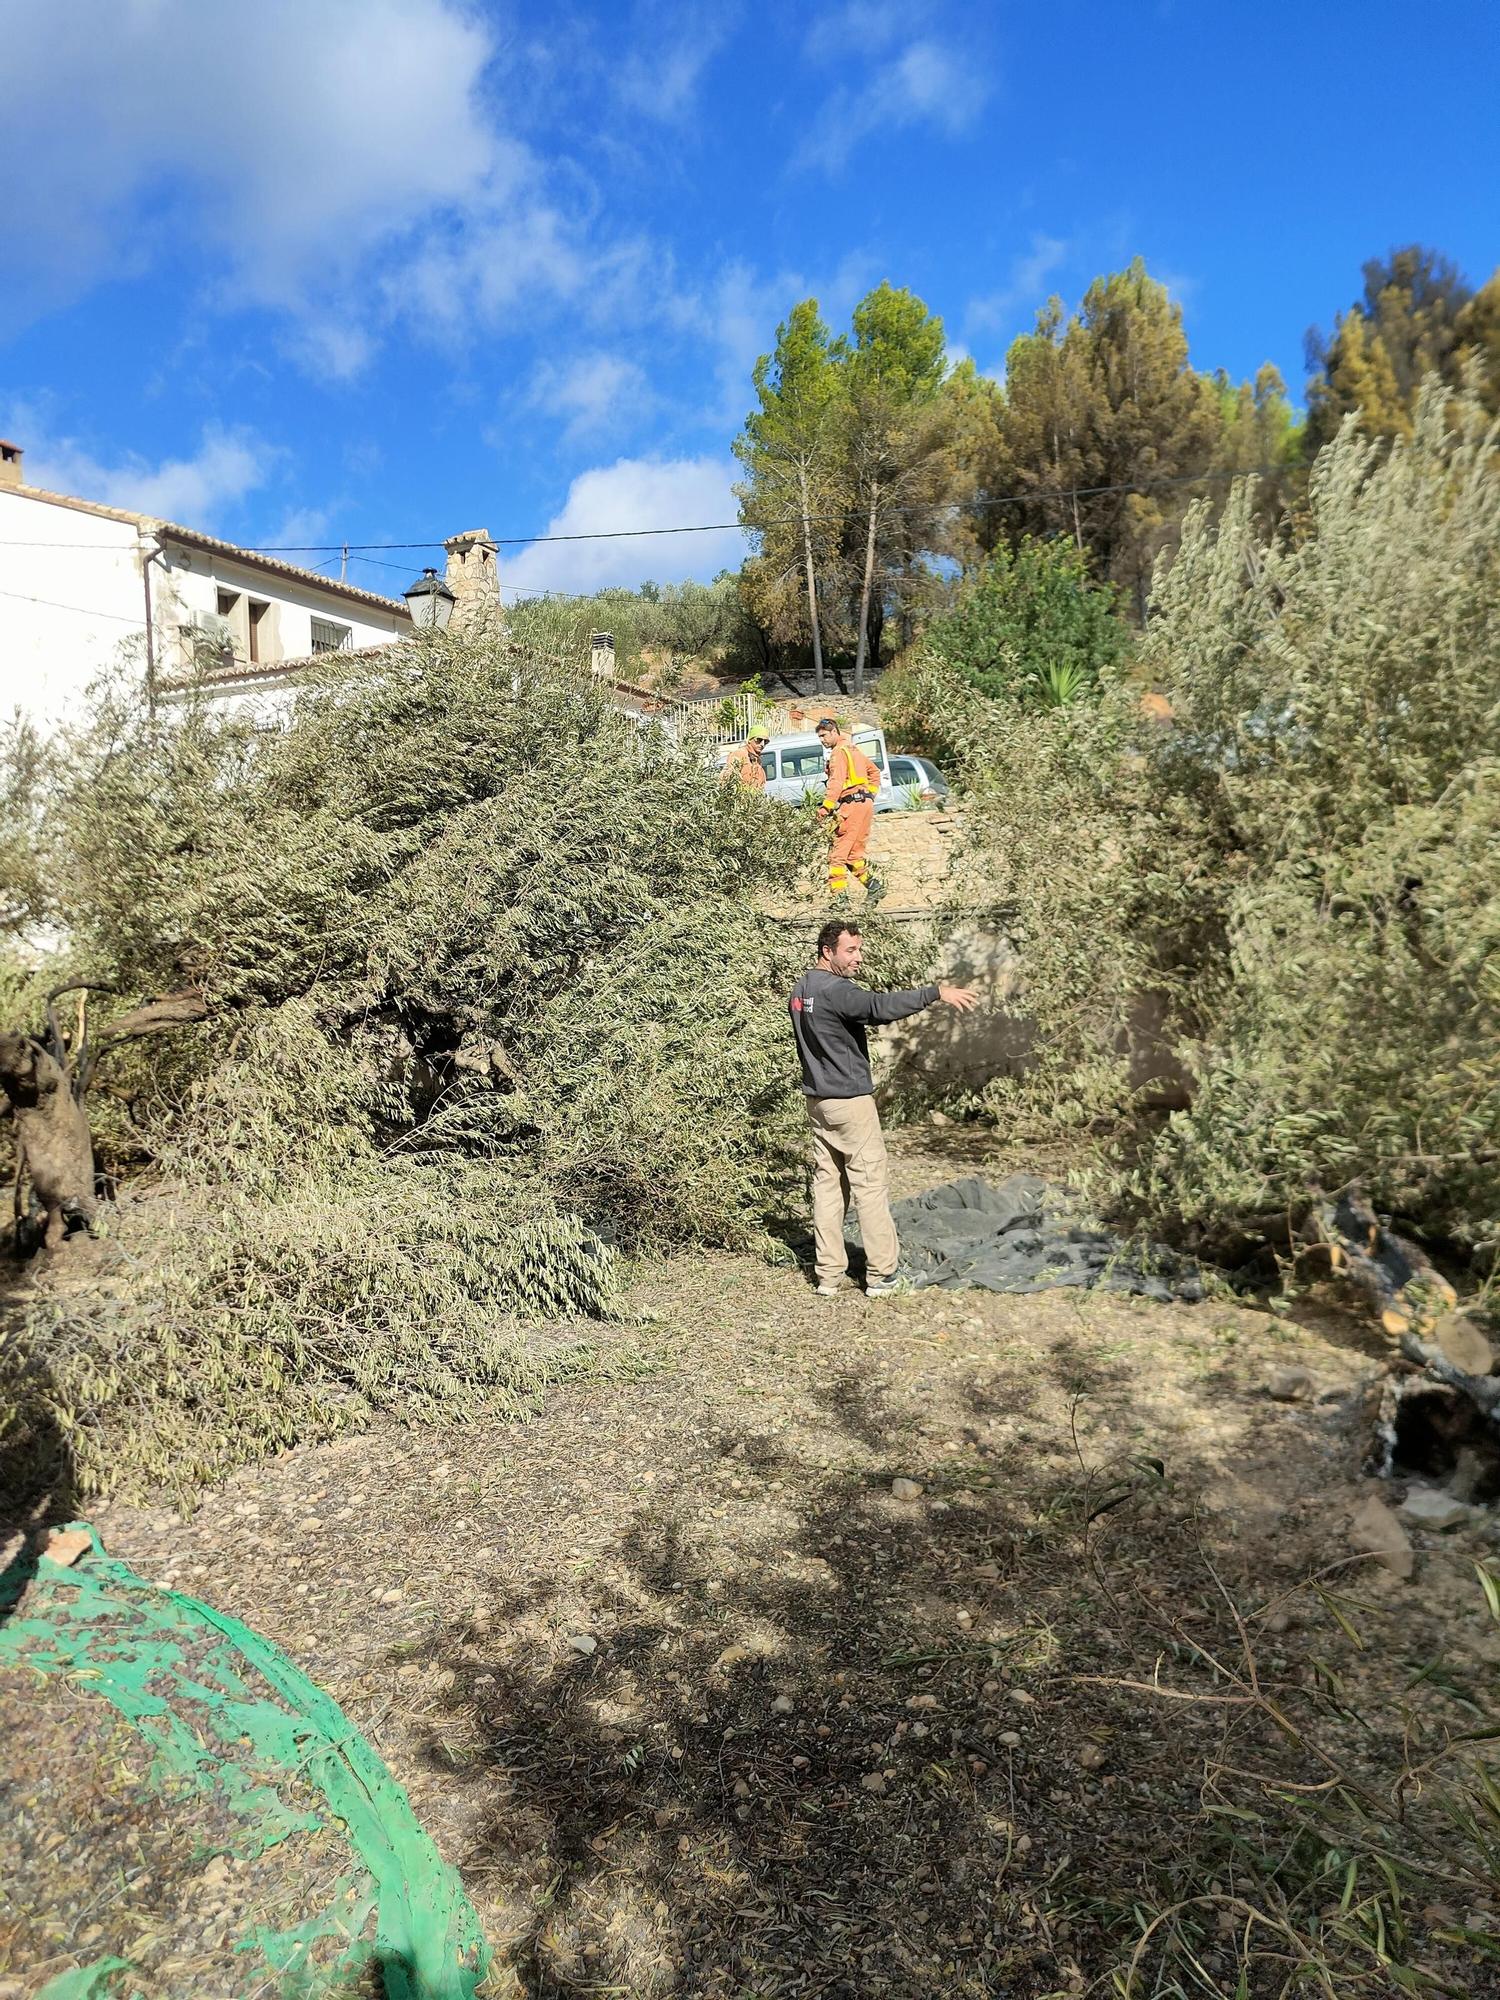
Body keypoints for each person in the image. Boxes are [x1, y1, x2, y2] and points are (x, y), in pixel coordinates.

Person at [789, 920, 978, 1296]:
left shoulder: (802, 988)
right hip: (849, 1104)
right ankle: (880, 1276)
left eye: (859, 949)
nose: (858, 957)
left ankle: (828, 1276)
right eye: (850, 950)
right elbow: (877, 1007)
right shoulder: (836, 990)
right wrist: (935, 992)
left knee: (828, 1187)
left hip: (818, 1103)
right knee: (870, 1186)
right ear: (827, 951)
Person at [814, 716, 880, 893]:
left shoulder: (838, 752)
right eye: (819, 737)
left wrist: (825, 808)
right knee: (853, 855)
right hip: (864, 806)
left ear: (834, 732)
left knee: (837, 856)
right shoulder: (853, 749)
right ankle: (874, 887)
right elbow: (874, 772)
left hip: (851, 807)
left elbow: (836, 783)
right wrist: (870, 795)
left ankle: (839, 900)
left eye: (824, 735)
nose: (822, 740)